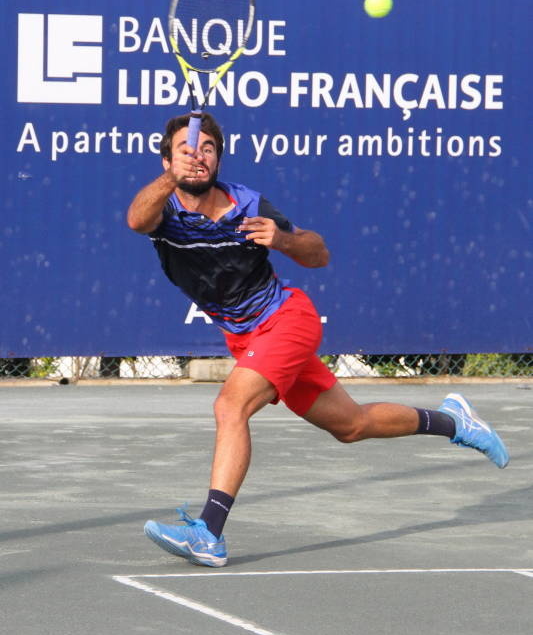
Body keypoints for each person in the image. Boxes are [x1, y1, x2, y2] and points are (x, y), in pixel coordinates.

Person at [127, 112, 509, 568]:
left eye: (207, 149)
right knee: (351, 425)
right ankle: (454, 421)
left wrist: (282, 239)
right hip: (245, 338)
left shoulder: (247, 205)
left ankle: (209, 533)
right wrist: (171, 179)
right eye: (187, 150)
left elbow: (319, 253)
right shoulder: (164, 211)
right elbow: (136, 219)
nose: (198, 157)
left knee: (231, 407)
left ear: (219, 159)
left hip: (287, 320)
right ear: (167, 161)